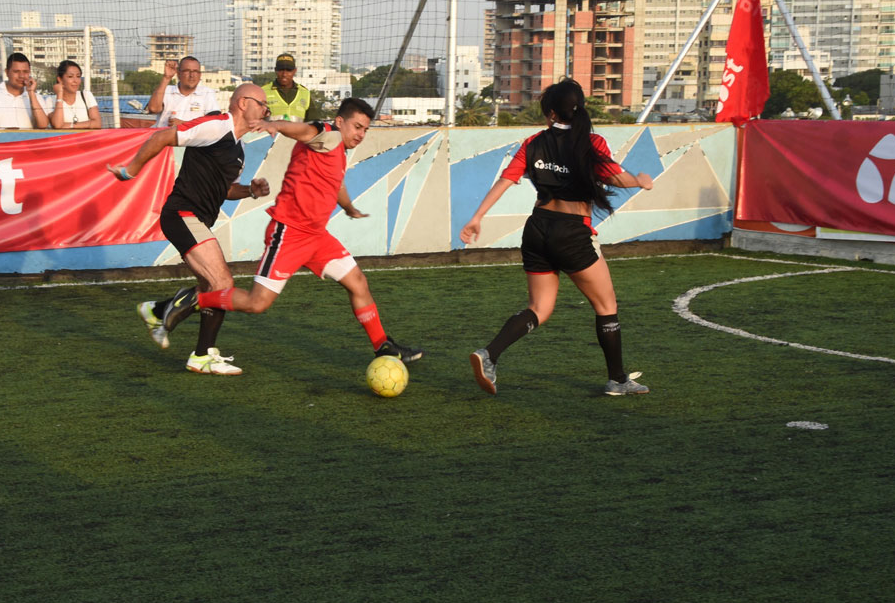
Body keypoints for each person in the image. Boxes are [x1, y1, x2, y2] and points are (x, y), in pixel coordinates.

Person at [166, 97, 422, 364]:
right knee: (257, 303)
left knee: (357, 282)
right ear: (340, 121)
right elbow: (305, 130)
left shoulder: (335, 149)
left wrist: (348, 207)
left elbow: (336, 184)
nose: (361, 134)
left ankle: (382, 345)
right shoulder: (329, 133)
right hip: (290, 233)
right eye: (357, 127)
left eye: (365, 130)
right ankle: (195, 300)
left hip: (317, 236)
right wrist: (275, 125)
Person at [460, 79, 653, 397]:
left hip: (537, 229)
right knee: (606, 304)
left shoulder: (533, 142)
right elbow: (614, 177)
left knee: (539, 307)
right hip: (572, 233)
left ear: (551, 113)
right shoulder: (592, 142)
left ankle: (489, 354)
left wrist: (477, 217)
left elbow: (505, 180)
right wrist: (640, 181)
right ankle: (618, 381)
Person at [110, 83, 272, 375]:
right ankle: (202, 355)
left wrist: (250, 190)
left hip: (195, 219)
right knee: (223, 283)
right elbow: (162, 136)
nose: (266, 110)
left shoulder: (239, 150)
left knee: (211, 287)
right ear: (242, 103)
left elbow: (225, 190)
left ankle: (158, 311)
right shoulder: (217, 125)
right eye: (262, 104)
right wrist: (131, 170)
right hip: (182, 214)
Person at [0, 52, 49, 129]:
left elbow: (43, 125)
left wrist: (31, 93)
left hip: (25, 138)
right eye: (16, 71)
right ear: (7, 72)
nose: (21, 76)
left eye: (25, 72)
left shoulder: (36, 98)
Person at [146, 56, 219, 127]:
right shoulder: (166, 90)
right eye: (187, 71)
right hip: (163, 134)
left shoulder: (207, 93)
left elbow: (214, 122)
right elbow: (153, 109)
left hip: (194, 136)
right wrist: (166, 77)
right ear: (178, 73)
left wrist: (184, 124)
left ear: (200, 75)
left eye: (195, 71)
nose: (192, 75)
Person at [262, 53, 323, 122]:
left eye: (288, 70)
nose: (284, 74)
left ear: (295, 71)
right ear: (275, 70)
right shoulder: (263, 92)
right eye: (281, 70)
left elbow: (313, 122)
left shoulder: (304, 93)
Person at [49, 60, 102, 129]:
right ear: (60, 79)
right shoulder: (51, 100)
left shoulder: (86, 95)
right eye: (70, 76)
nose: (75, 81)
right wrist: (59, 96)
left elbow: (97, 123)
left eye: (78, 76)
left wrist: (71, 125)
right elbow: (58, 125)